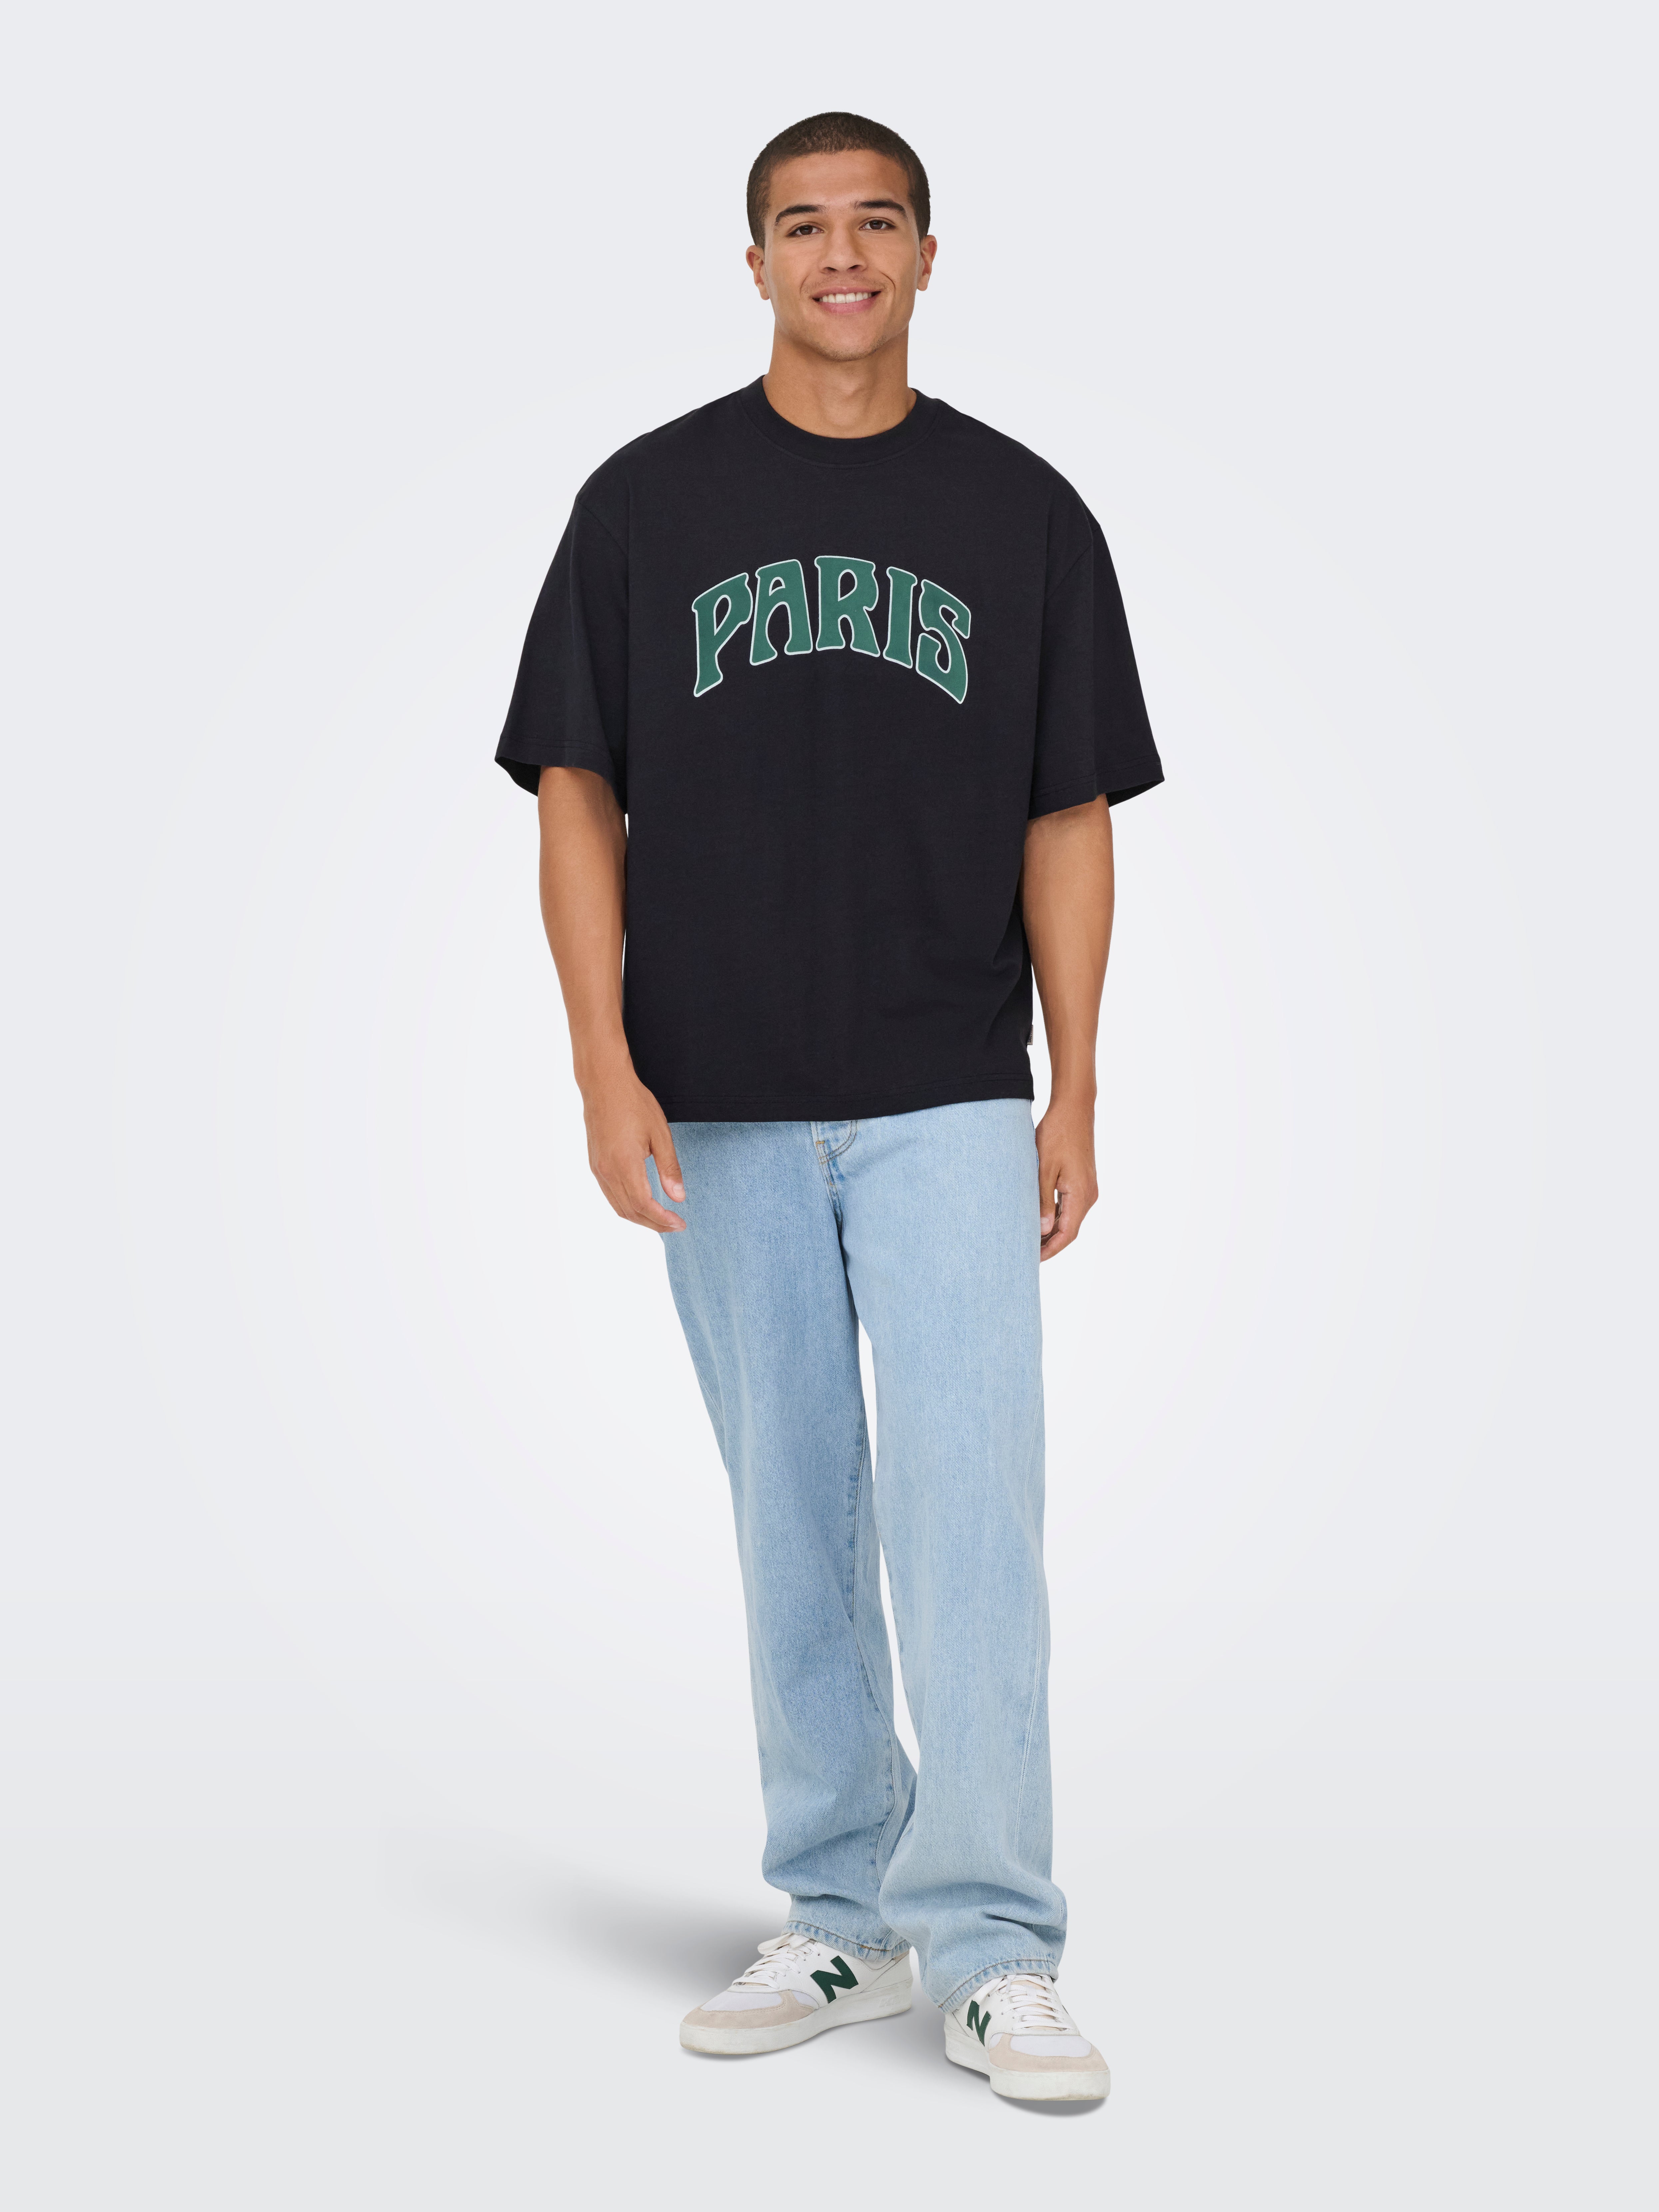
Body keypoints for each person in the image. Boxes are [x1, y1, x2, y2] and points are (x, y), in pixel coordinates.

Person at [496, 112, 1162, 2103]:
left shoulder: (1022, 512)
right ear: (757, 263)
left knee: (970, 1521)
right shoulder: (645, 502)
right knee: (792, 1518)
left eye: (877, 222)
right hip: (717, 1102)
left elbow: (1068, 813)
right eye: (804, 225)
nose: (841, 254)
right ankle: (843, 1914)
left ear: (929, 257)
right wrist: (602, 1065)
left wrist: (1076, 1082)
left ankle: (997, 1945)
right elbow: (576, 796)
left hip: (947, 1089)